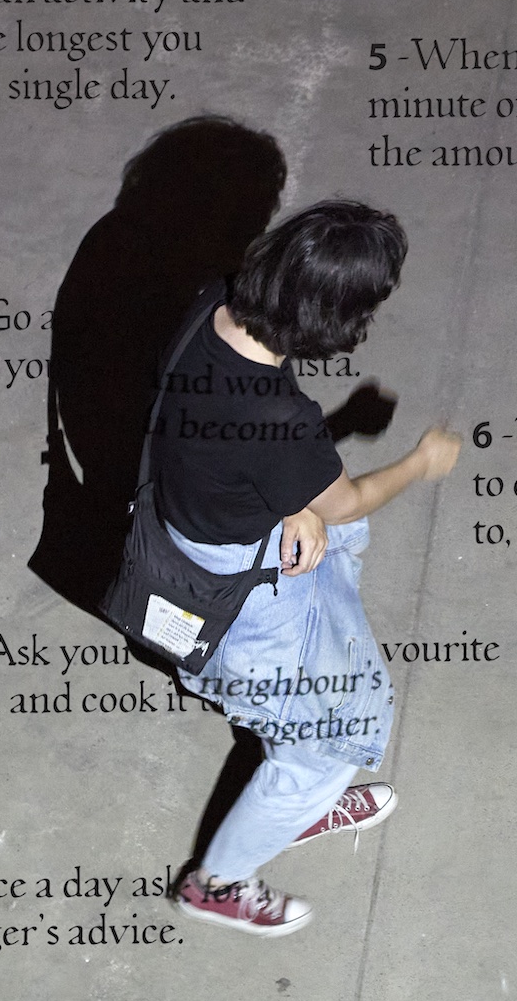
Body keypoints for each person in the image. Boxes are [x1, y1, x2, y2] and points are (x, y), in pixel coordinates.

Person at [150, 199, 460, 936]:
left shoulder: (211, 301)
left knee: (332, 677)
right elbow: (348, 501)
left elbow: (212, 430)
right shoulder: (275, 419)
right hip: (243, 587)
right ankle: (220, 881)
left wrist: (283, 495)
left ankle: (297, 800)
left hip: (199, 523)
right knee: (321, 745)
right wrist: (419, 462)